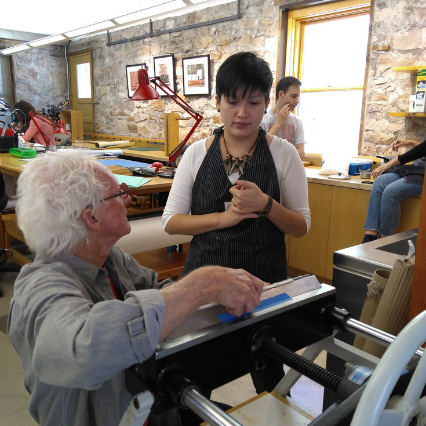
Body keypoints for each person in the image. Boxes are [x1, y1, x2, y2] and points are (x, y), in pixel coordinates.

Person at [7, 151, 265, 426]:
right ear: (91, 218)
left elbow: (158, 290)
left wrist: (226, 290)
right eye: (119, 193)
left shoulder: (111, 258)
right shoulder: (38, 287)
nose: (127, 198)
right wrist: (203, 285)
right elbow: (87, 349)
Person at [162, 52, 311, 393]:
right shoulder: (197, 153)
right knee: (194, 379)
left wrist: (266, 205)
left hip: (265, 285)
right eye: (232, 101)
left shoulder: (283, 154)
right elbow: (171, 222)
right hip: (204, 286)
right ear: (218, 102)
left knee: (271, 380)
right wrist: (224, 218)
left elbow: (301, 226)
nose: (242, 113)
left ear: (266, 105)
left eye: (253, 102)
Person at [362, 138, 426, 243]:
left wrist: (391, 163)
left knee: (391, 192)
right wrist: (410, 143)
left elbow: (423, 148)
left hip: (424, 174)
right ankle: (370, 235)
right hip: (416, 167)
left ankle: (384, 241)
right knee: (379, 182)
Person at [260, 76, 306, 160]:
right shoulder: (262, 119)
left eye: (298, 97)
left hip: (289, 172)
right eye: (293, 96)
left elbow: (301, 154)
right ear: (281, 94)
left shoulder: (297, 122)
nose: (297, 101)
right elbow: (260, 150)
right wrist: (278, 124)